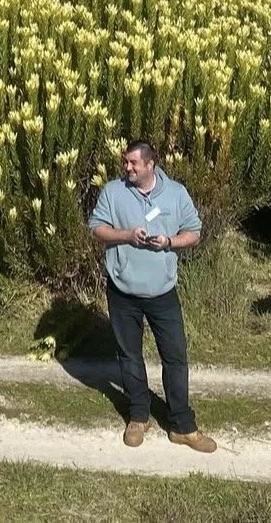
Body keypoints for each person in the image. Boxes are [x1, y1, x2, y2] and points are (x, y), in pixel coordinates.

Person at [88, 139, 215, 453]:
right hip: (122, 291)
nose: (127, 168)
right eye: (125, 162)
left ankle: (182, 425)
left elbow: (194, 232)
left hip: (162, 293)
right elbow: (96, 228)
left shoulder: (176, 194)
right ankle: (139, 416)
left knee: (175, 357)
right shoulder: (113, 192)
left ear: (150, 164)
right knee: (129, 355)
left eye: (133, 163)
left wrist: (170, 242)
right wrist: (127, 235)